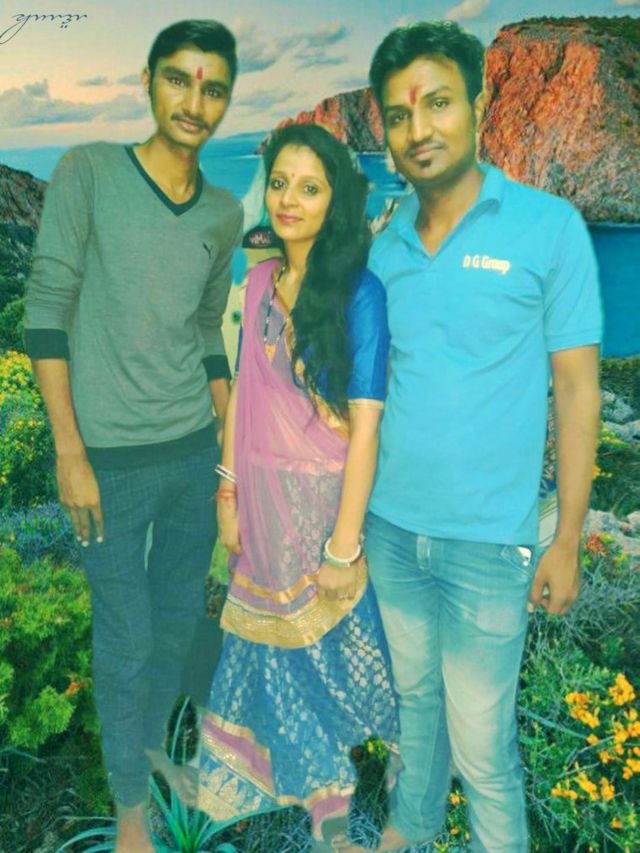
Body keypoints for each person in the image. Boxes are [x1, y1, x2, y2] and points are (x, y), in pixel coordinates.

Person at [340, 21, 603, 853]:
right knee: (416, 715)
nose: (418, 129)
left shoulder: (548, 227)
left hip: (491, 543)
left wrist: (568, 534)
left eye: (439, 103)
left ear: (481, 106)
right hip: (392, 532)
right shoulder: (384, 249)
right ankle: (409, 834)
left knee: (485, 751)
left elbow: (577, 387)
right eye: (398, 114)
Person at [23, 19, 242, 853]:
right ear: (147, 80)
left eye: (213, 87)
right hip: (106, 462)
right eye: (179, 79)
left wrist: (229, 431)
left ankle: (149, 755)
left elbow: (206, 328)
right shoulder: (87, 171)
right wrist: (69, 451)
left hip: (193, 454)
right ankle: (129, 814)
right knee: (126, 638)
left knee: (179, 620)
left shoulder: (224, 211)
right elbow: (47, 310)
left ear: (226, 99)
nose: (194, 101)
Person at [197, 124, 399, 852]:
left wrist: (344, 547)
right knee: (273, 651)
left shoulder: (360, 294)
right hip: (261, 506)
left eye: (309, 187)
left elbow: (366, 429)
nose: (288, 199)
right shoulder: (257, 283)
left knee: (341, 647)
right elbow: (243, 398)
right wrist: (227, 494)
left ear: (335, 200)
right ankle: (312, 790)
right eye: (279, 182)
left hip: (324, 511)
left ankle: (384, 761)